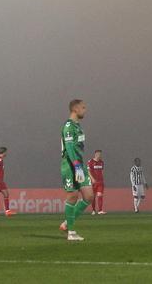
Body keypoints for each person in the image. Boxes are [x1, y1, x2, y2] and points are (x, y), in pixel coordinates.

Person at [58, 99, 93, 241]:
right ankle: (71, 232)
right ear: (75, 109)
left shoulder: (78, 126)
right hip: (70, 165)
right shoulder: (68, 126)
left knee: (89, 196)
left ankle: (67, 223)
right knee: (72, 197)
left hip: (80, 165)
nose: (85, 110)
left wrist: (82, 167)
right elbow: (70, 148)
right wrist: (77, 166)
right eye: (83, 108)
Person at [87, 150, 106, 215]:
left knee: (100, 195)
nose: (99, 155)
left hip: (100, 182)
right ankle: (93, 210)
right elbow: (88, 171)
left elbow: (101, 171)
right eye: (98, 154)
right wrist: (92, 179)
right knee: (93, 197)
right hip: (93, 182)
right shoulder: (90, 162)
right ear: (95, 154)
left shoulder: (101, 162)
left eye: (100, 154)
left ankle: (100, 210)